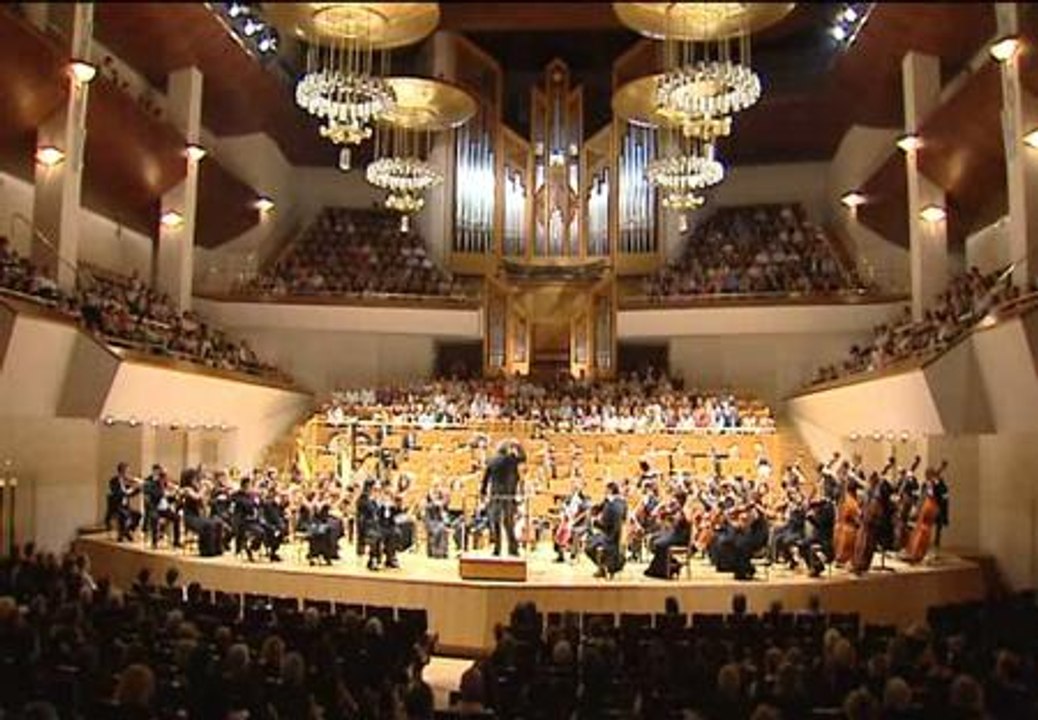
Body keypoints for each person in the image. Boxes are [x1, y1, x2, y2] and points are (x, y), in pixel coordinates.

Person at [480, 438, 527, 557]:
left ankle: (497, 548)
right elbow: (523, 458)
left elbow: (485, 479)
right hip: (508, 495)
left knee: (495, 521)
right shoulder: (511, 459)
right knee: (508, 522)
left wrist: (483, 492)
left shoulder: (491, 460)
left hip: (495, 494)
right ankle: (513, 549)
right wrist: (518, 445)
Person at [586, 481, 627, 578]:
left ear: (610, 490)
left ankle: (602, 568)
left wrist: (594, 522)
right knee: (594, 538)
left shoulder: (610, 506)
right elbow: (624, 518)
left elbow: (604, 526)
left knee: (588, 546)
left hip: (609, 538)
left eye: (606, 490)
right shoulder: (622, 502)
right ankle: (603, 567)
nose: (604, 491)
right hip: (618, 535)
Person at [106, 462, 141, 542]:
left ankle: (126, 531)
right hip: (117, 506)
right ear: (122, 471)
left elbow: (130, 494)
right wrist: (131, 489)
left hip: (125, 506)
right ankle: (123, 534)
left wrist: (138, 488)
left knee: (138, 514)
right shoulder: (113, 481)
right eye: (127, 471)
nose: (128, 474)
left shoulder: (126, 482)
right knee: (124, 515)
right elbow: (119, 493)